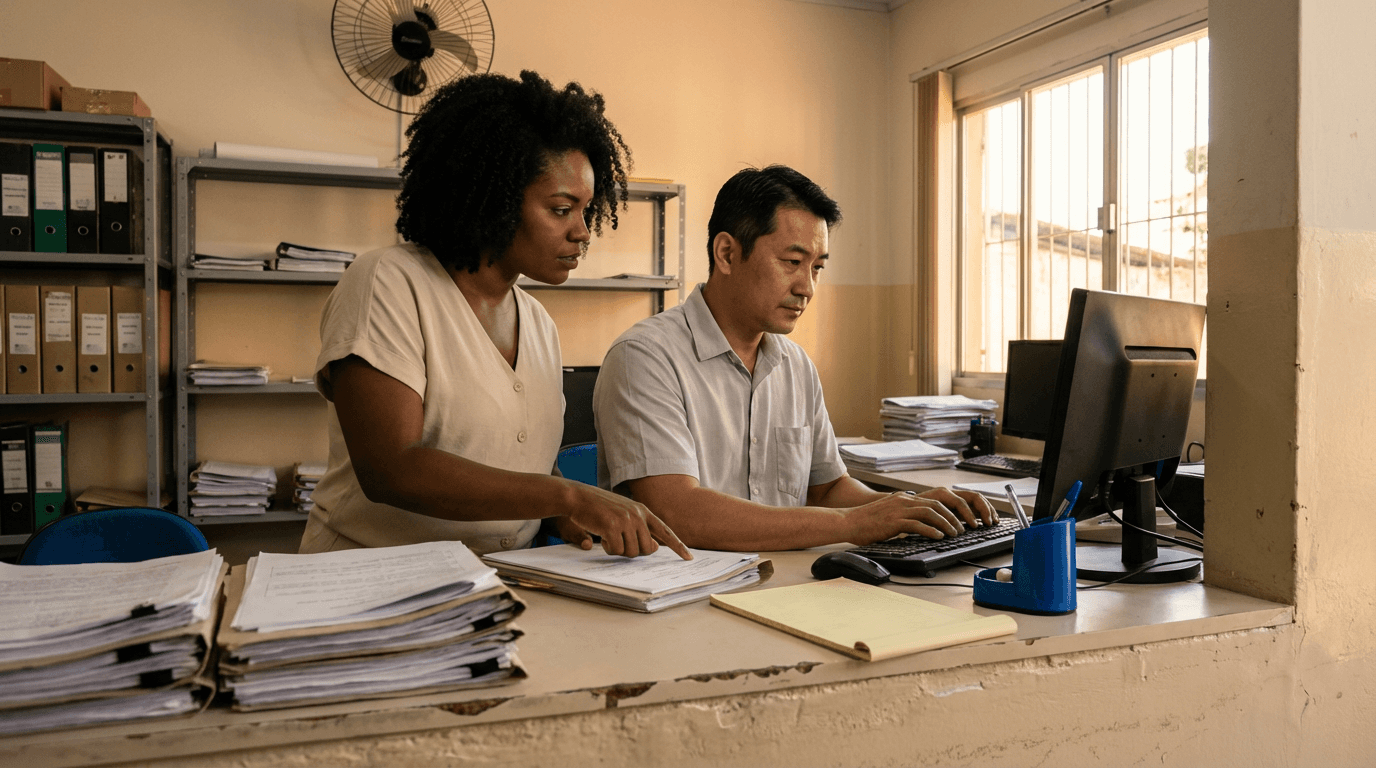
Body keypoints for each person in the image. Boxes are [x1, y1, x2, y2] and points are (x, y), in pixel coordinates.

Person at [299, 70, 688, 560]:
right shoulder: (388, 283)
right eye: (562, 209)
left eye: (588, 211)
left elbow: (518, 464)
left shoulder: (539, 325)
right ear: (495, 198)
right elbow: (391, 470)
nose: (583, 232)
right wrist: (567, 495)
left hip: (498, 585)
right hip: (368, 580)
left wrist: (565, 514)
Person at [593, 165, 996, 552]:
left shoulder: (795, 366)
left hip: (785, 583)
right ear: (727, 254)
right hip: (681, 598)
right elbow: (677, 512)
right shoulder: (644, 358)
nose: (807, 287)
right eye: (792, 263)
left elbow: (827, 488)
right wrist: (850, 525)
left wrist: (910, 509)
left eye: (817, 267)